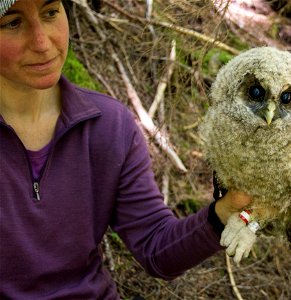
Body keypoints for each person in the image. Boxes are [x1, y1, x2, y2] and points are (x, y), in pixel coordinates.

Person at [0, 0, 251, 298]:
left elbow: (157, 249)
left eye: (51, 12)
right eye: (12, 23)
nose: (42, 42)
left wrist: (225, 210)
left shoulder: (108, 126)